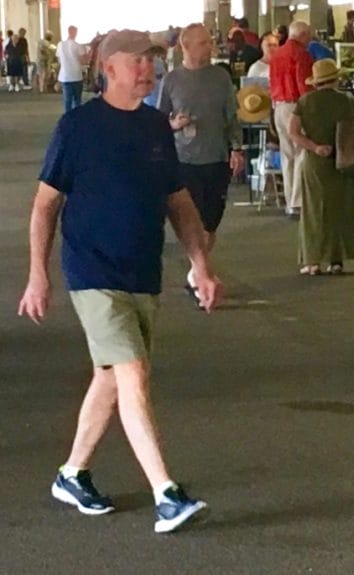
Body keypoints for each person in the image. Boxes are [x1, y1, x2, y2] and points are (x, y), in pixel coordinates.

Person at [18, 29, 221, 534]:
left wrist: (200, 263)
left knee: (111, 376)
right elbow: (46, 204)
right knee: (132, 372)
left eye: (152, 61)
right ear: (109, 68)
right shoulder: (77, 127)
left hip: (141, 272)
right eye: (137, 61)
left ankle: (72, 473)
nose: (148, 69)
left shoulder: (155, 127)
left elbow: (178, 202)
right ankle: (166, 494)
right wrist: (36, 275)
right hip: (92, 271)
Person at [158, 23, 245, 305]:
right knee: (192, 222)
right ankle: (201, 274)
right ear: (186, 46)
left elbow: (232, 116)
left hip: (217, 157)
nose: (211, 47)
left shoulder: (220, 77)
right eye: (204, 43)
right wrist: (174, 124)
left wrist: (238, 148)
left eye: (210, 42)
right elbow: (159, 121)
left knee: (211, 222)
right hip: (184, 159)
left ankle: (198, 271)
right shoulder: (172, 80)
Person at [288, 59, 354, 275]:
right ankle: (336, 260)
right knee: (341, 211)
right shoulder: (347, 101)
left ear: (316, 82)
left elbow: (293, 132)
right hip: (344, 161)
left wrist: (315, 147)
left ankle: (312, 261)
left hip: (315, 163)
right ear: (336, 78)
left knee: (314, 212)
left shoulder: (304, 102)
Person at [269, 21, 314, 218]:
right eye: (309, 36)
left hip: (279, 106)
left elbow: (271, 81)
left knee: (287, 155)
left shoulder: (276, 54)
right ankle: (298, 202)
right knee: (302, 152)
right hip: (295, 106)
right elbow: (304, 84)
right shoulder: (301, 55)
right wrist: (311, 107)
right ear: (302, 35)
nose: (310, 40)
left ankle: (289, 200)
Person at [56, 25, 88, 112]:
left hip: (65, 76)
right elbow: (83, 61)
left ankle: (68, 119)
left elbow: (59, 60)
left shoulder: (60, 45)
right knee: (77, 100)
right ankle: (77, 119)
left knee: (67, 101)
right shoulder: (79, 46)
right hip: (76, 75)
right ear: (75, 33)